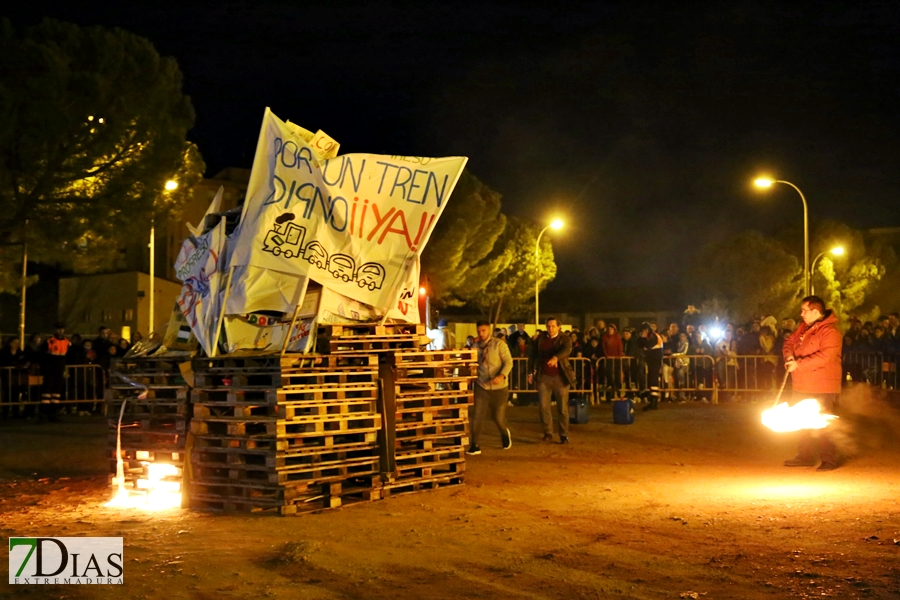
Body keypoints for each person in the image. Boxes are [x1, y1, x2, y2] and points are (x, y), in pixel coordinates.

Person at [782, 295, 842, 471]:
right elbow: (788, 342)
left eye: (804, 310)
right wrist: (789, 356)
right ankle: (805, 455)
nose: (801, 314)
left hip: (823, 386)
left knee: (823, 423)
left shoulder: (831, 332)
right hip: (802, 385)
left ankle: (829, 460)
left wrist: (798, 364)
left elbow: (825, 357)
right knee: (800, 421)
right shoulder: (802, 328)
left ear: (816, 311)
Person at [467, 321, 513, 455]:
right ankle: (474, 444)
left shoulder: (499, 344)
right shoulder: (475, 347)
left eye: (484, 330)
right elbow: (471, 363)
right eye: (479, 331)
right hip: (482, 386)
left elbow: (509, 362)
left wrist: (502, 375)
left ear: (489, 330)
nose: (481, 334)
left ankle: (504, 434)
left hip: (500, 388)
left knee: (497, 417)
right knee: (477, 416)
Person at [528, 317, 575, 444]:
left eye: (553, 326)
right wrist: (531, 371)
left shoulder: (564, 338)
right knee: (543, 406)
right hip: (544, 376)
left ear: (559, 327)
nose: (550, 328)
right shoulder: (540, 339)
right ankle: (548, 432)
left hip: (561, 377)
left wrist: (556, 357)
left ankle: (563, 434)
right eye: (548, 326)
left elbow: (566, 350)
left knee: (562, 408)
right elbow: (533, 355)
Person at [41, 322, 70, 419]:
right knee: (47, 391)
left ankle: (54, 412)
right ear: (55, 330)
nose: (60, 331)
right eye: (58, 329)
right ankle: (44, 413)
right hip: (50, 369)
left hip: (60, 369)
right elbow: (43, 353)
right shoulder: (50, 341)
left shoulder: (66, 342)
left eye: (62, 329)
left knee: (57, 392)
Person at [638, 322, 664, 410]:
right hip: (651, 361)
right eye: (642, 331)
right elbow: (640, 345)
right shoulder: (649, 337)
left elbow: (648, 346)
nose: (644, 332)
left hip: (655, 360)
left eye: (645, 330)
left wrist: (643, 338)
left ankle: (654, 402)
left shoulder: (654, 336)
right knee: (651, 380)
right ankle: (652, 400)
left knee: (653, 380)